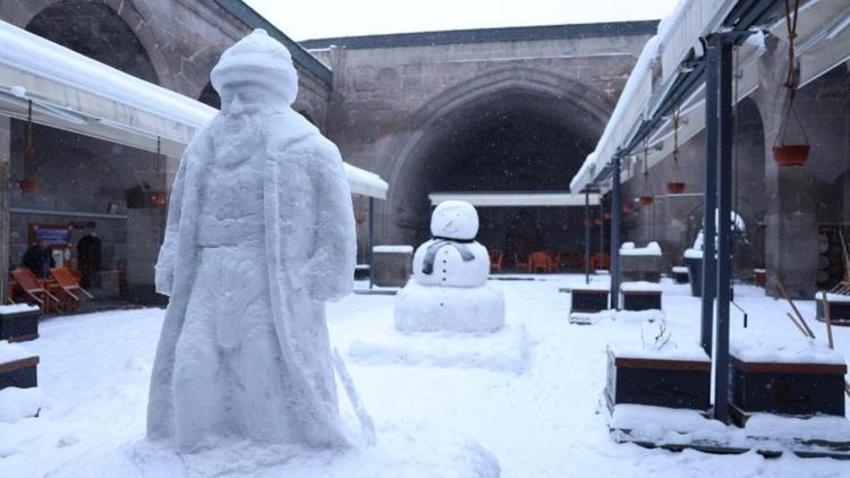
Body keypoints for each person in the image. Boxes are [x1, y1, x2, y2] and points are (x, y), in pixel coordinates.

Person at [147, 30, 356, 452]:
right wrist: (170, 256)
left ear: (276, 95)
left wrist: (328, 269)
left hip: (269, 276)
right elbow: (181, 212)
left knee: (263, 363)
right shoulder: (203, 148)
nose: (238, 107)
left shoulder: (312, 148)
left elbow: (337, 220)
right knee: (192, 364)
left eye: (251, 94)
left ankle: (271, 446)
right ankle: (193, 441)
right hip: (208, 272)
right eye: (231, 95)